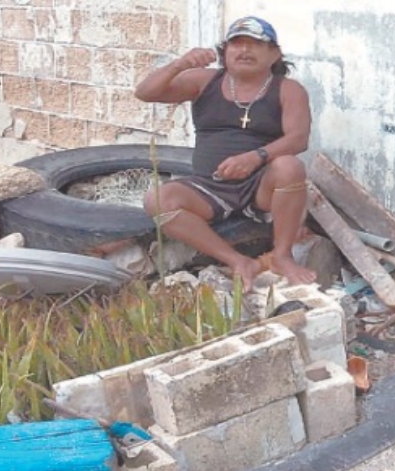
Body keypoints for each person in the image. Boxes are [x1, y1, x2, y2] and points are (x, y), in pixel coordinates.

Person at [134, 16, 317, 290]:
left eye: (255, 44)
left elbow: (298, 139)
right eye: (237, 44)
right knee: (158, 199)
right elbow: (145, 93)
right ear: (225, 52)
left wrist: (256, 157)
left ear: (274, 54)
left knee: (290, 167)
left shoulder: (288, 90)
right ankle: (237, 261)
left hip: (260, 187)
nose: (244, 50)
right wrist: (180, 64)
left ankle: (281, 256)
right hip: (210, 186)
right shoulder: (204, 81)